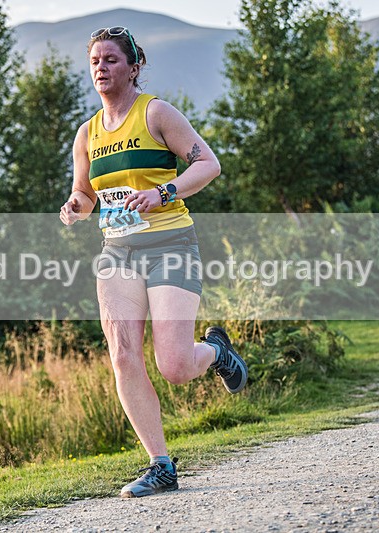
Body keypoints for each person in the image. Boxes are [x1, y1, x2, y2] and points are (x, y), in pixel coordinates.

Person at [58, 26, 248, 497]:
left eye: (111, 60)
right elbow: (85, 194)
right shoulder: (87, 134)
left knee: (176, 366)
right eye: (95, 62)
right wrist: (75, 207)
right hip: (117, 251)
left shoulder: (157, 112)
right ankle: (160, 465)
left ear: (133, 66)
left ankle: (218, 352)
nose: (101, 68)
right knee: (123, 355)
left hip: (171, 244)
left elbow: (208, 165)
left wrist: (162, 192)